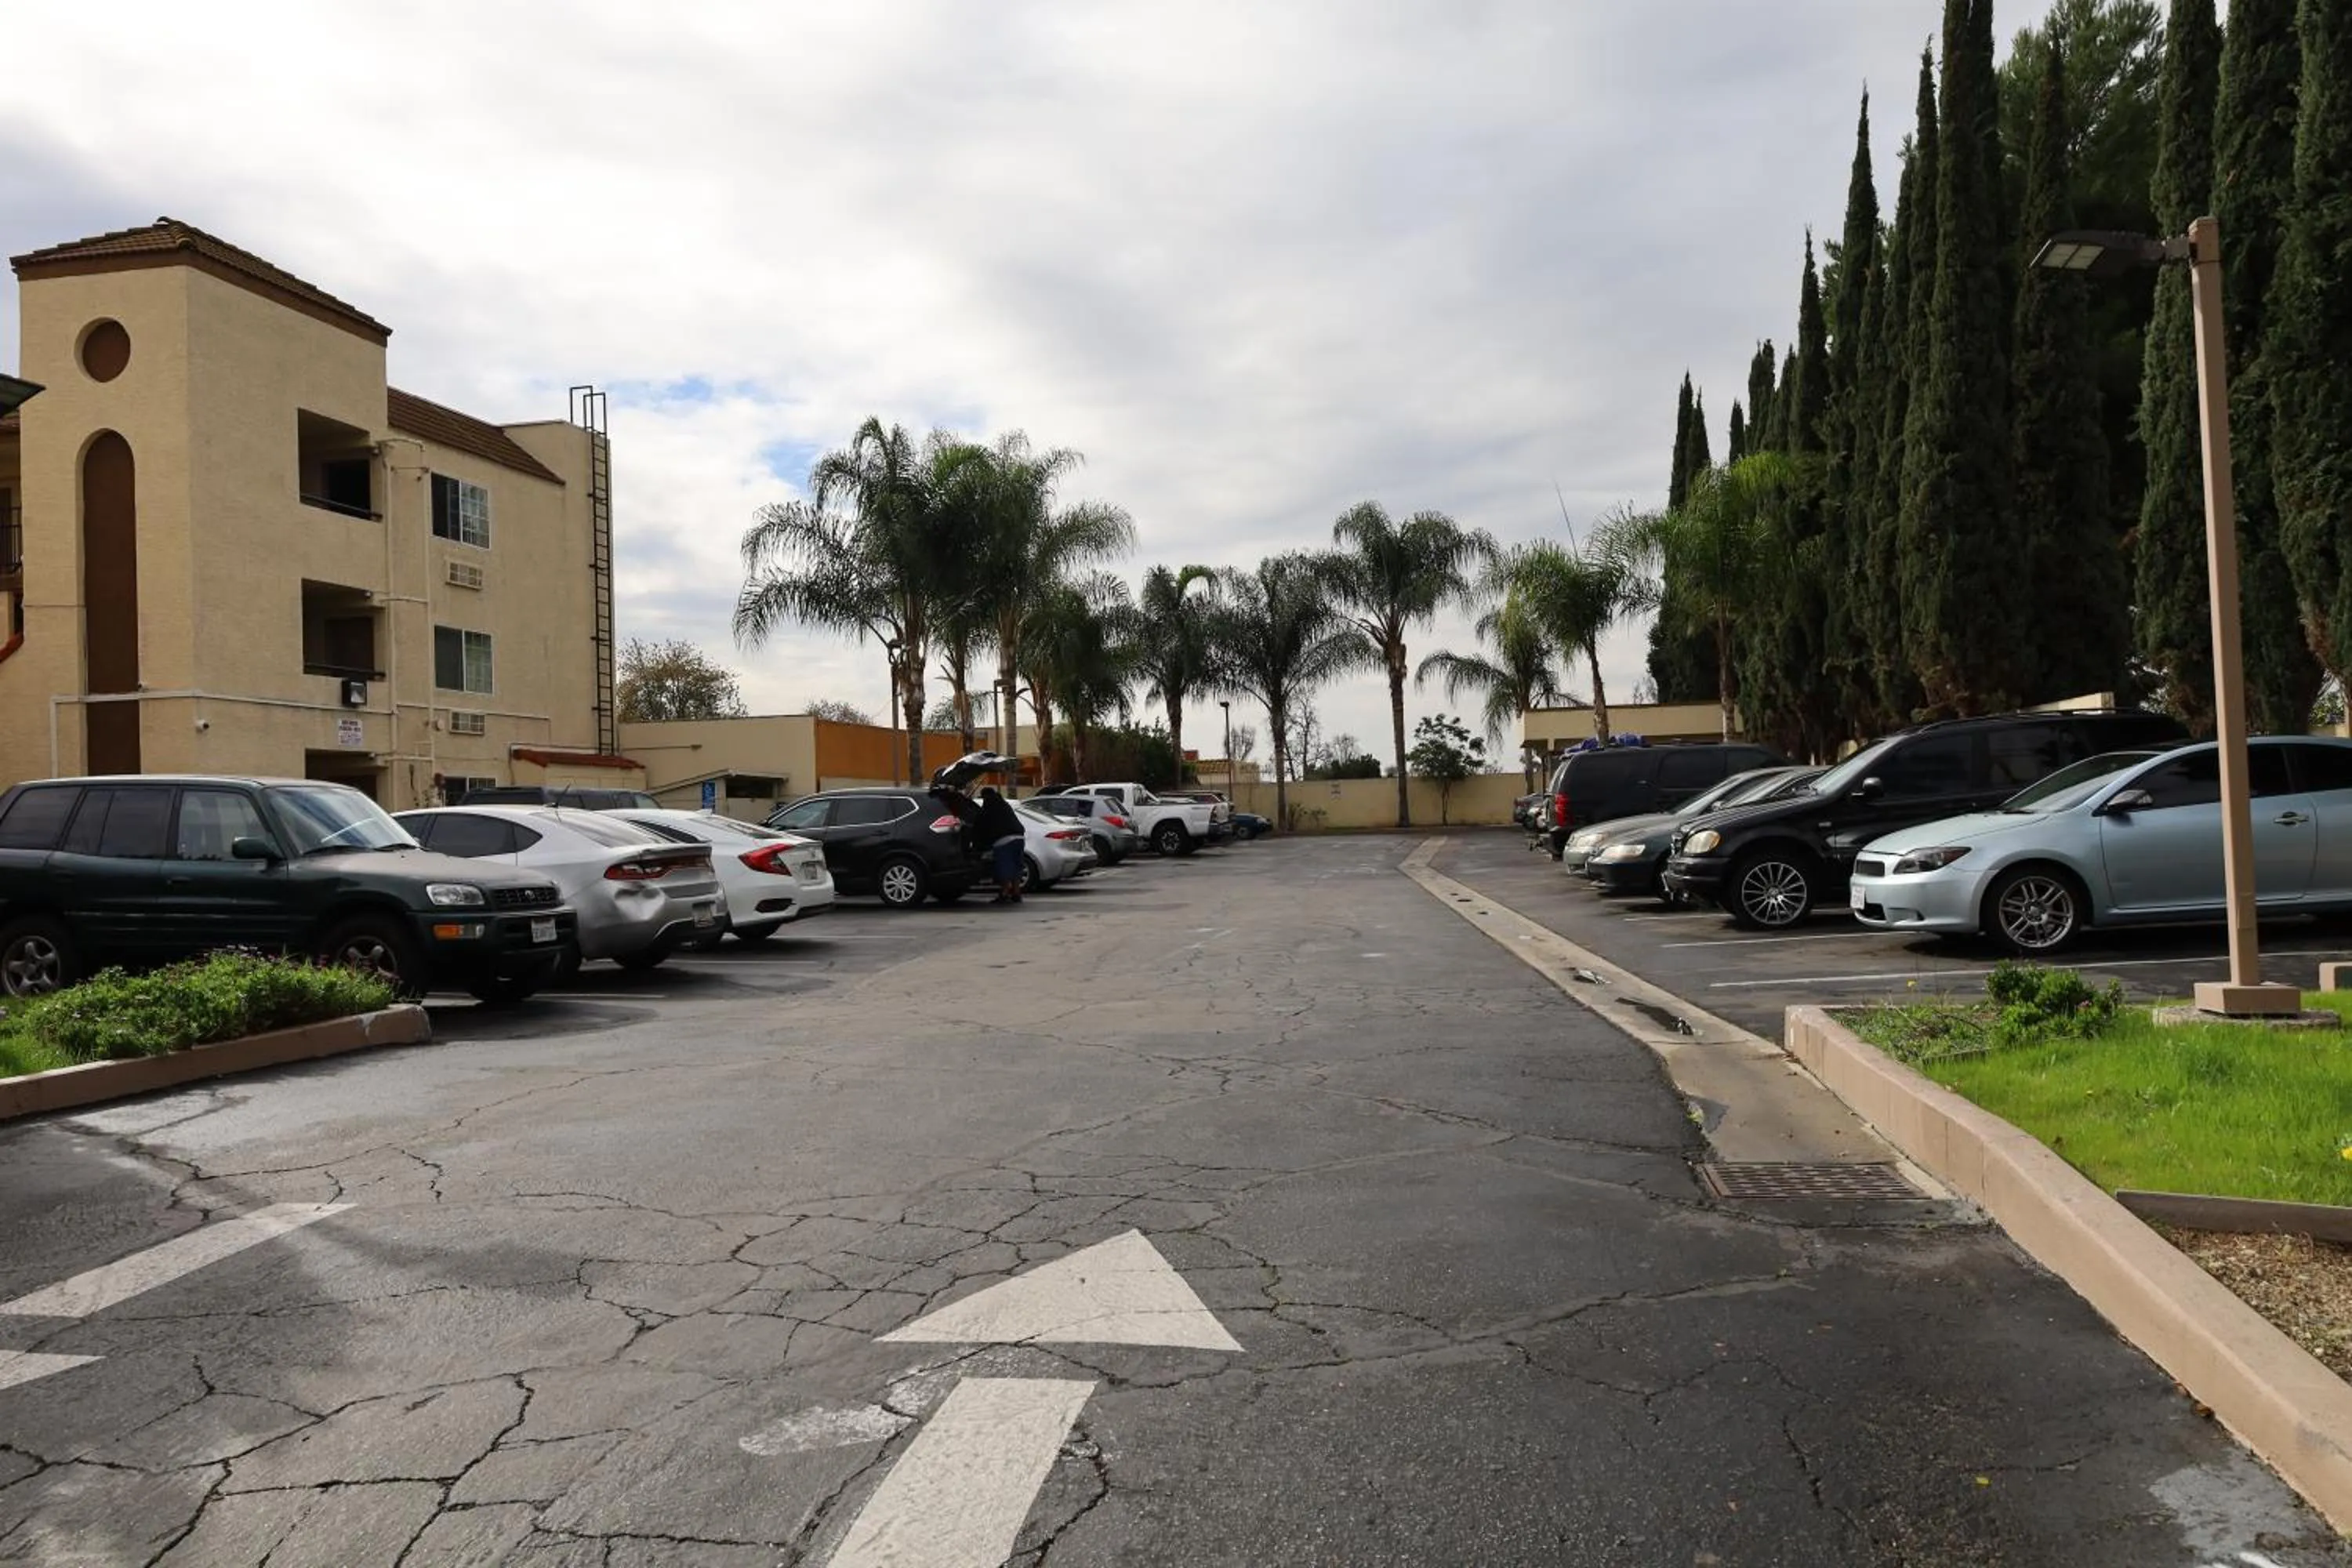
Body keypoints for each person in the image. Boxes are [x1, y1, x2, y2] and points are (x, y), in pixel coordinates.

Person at [973, 785, 1027, 904]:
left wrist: (978, 843)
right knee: (1017, 867)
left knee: (1004, 868)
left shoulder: (989, 806)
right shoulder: (1004, 804)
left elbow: (980, 826)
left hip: (1004, 840)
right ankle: (1016, 893)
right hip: (1019, 837)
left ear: (985, 796)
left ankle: (1004, 893)